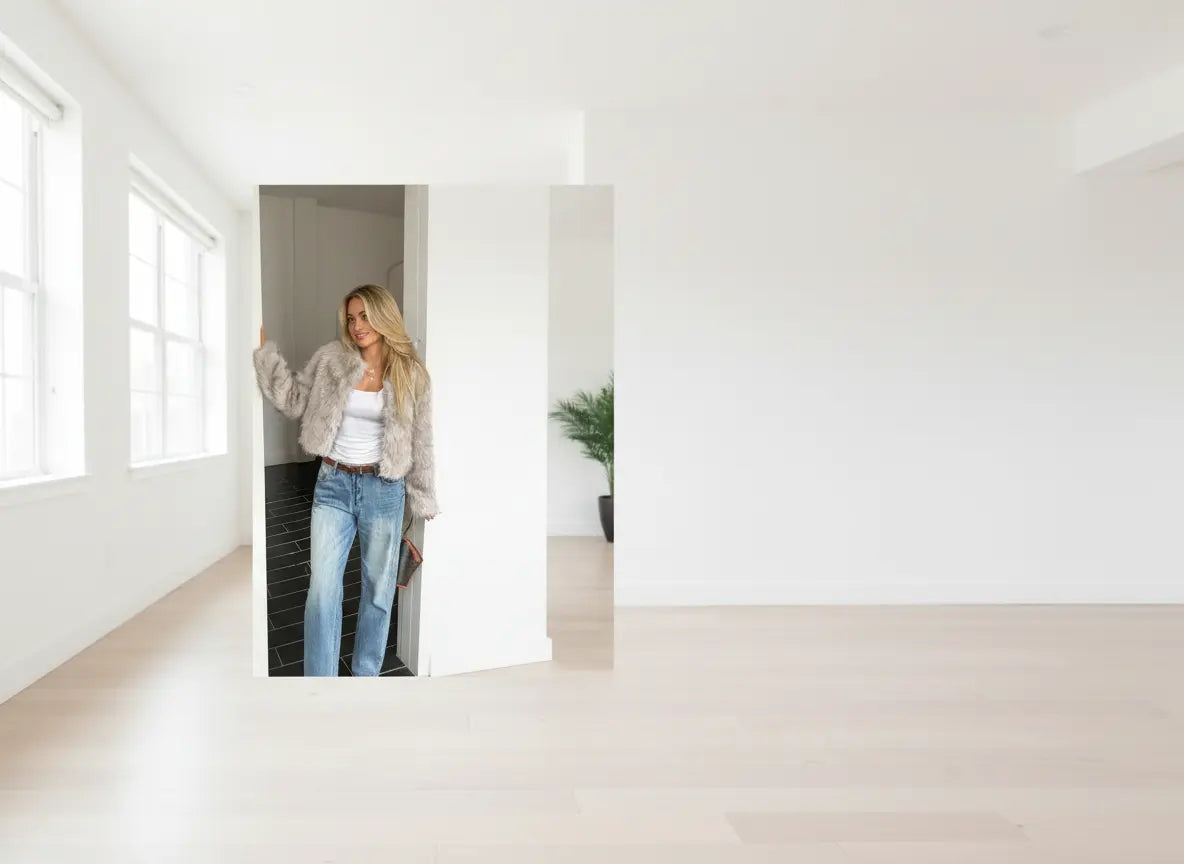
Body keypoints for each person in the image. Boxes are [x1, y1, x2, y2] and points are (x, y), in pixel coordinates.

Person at [253, 284, 438, 676]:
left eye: (365, 316)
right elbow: (294, 400)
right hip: (333, 483)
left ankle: (365, 675)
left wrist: (422, 496)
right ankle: (320, 683)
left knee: (378, 592)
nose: (357, 326)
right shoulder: (331, 360)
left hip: (384, 490)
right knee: (322, 590)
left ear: (384, 316)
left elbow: (422, 440)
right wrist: (267, 356)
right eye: (351, 318)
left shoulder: (410, 373)